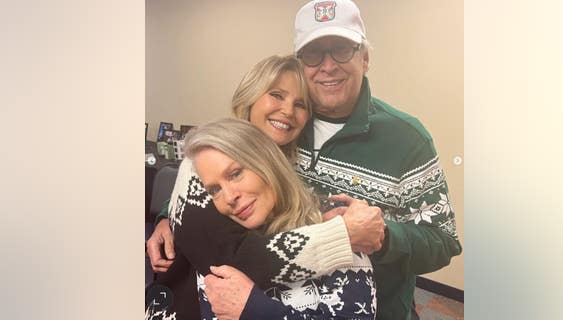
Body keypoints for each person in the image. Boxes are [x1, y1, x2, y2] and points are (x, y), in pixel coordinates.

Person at [204, 1, 462, 319]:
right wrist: (166, 215)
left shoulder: (407, 138)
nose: (327, 66)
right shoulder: (282, 126)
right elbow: (220, 168)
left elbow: (443, 242)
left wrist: (383, 235)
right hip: (281, 305)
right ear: (300, 65)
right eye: (314, 54)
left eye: (341, 49)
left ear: (365, 58)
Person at [145, 55, 385, 320]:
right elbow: (225, 259)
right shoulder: (205, 154)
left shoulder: (296, 171)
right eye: (277, 95)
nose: (287, 111)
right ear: (251, 96)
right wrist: (340, 236)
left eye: (300, 104)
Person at [187, 118, 377, 319]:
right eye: (215, 189)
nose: (229, 197)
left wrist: (255, 309)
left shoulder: (337, 227)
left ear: (266, 162)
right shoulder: (217, 245)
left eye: (235, 174)